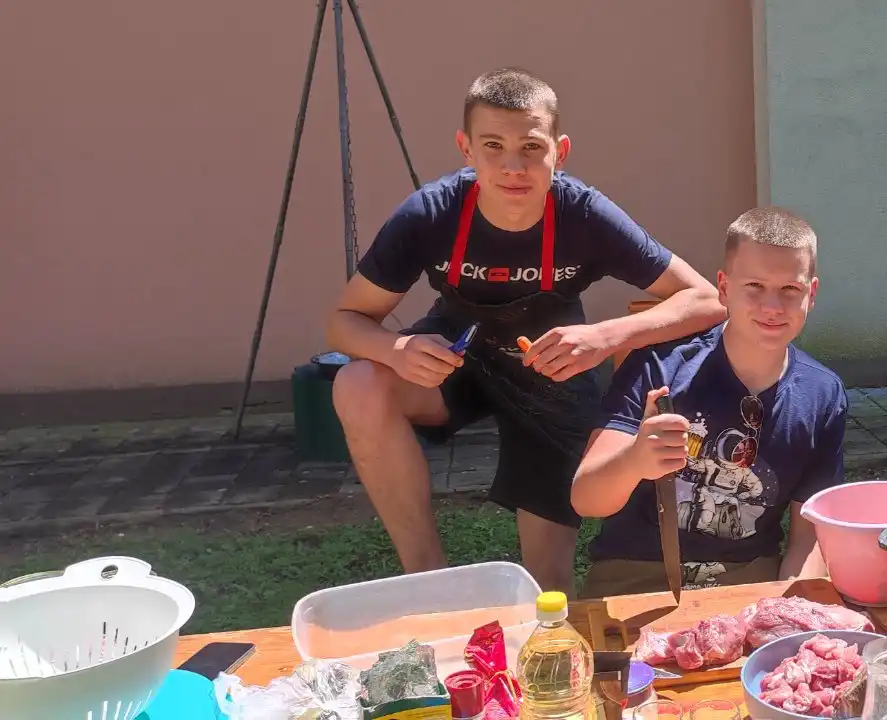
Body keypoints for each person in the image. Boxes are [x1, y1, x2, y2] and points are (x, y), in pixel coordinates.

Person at [325, 68, 725, 591]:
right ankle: (426, 580)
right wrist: (397, 348)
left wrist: (607, 336)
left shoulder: (584, 214)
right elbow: (344, 323)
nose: (513, 167)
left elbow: (707, 299)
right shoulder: (430, 214)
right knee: (357, 383)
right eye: (493, 145)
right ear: (466, 148)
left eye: (531, 147)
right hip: (455, 360)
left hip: (552, 375)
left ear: (560, 151)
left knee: (547, 585)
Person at [569, 207, 848, 597]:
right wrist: (634, 460)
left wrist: (791, 600)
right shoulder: (659, 367)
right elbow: (586, 499)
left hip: (749, 575)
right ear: (723, 287)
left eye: (790, 289)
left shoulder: (823, 394)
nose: (772, 306)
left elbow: (809, 534)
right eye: (754, 286)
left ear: (811, 294)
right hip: (636, 573)